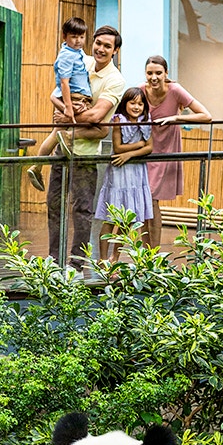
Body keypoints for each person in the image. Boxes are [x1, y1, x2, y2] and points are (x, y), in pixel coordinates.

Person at [47, 25, 125, 269]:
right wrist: (70, 111)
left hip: (85, 153)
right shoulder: (81, 59)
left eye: (107, 46)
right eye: (98, 43)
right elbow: (57, 93)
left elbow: (97, 116)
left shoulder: (115, 80)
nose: (101, 49)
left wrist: (66, 117)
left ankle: (76, 264)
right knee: (54, 203)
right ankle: (54, 260)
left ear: (115, 51)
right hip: (62, 146)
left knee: (82, 209)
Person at [141, 55, 212, 248]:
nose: (154, 77)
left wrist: (176, 118)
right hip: (144, 149)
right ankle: (145, 251)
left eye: (158, 73)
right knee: (145, 201)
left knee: (152, 199)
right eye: (150, 73)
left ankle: (152, 253)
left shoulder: (175, 90)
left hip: (166, 149)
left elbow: (206, 115)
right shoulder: (140, 91)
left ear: (166, 74)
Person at [27, 17, 92, 193]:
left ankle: (36, 167)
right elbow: (64, 83)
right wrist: (69, 107)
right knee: (67, 133)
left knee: (55, 134)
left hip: (72, 98)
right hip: (75, 98)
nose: (78, 40)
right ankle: (40, 165)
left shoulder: (76, 53)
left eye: (81, 37)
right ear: (64, 36)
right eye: (73, 37)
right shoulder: (66, 55)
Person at [93, 86, 154, 261]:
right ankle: (102, 258)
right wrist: (138, 146)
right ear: (125, 104)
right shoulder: (118, 119)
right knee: (112, 217)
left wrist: (130, 154)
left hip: (136, 172)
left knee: (127, 219)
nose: (136, 107)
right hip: (120, 173)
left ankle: (115, 257)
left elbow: (150, 147)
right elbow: (118, 147)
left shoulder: (145, 121)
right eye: (132, 103)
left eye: (140, 104)